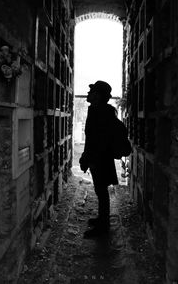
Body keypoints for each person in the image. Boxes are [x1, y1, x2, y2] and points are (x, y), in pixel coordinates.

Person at [79, 80, 118, 238]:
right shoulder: (99, 109)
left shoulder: (100, 111)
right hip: (99, 156)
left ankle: (103, 227)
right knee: (100, 190)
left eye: (92, 91)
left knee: (101, 190)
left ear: (98, 96)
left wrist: (88, 158)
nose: (88, 93)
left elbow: (97, 139)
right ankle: (102, 220)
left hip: (100, 157)